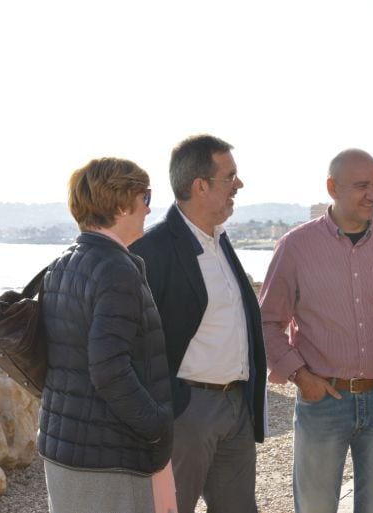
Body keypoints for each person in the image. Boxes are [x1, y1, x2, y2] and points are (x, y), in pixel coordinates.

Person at [259, 148, 373, 513]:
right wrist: (300, 376)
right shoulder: (295, 247)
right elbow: (267, 321)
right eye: (361, 186)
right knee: (316, 508)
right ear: (331, 187)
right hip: (323, 402)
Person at [129, 134, 266, 513]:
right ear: (200, 186)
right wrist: (164, 407)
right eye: (230, 177)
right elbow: (132, 343)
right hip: (186, 411)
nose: (238, 185)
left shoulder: (219, 240)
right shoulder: (150, 251)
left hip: (236, 408)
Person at [37, 157, 175, 513]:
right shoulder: (115, 270)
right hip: (110, 456)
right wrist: (156, 424)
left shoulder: (63, 264)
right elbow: (110, 370)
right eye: (145, 197)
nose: (149, 208)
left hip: (65, 447)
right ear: (119, 203)